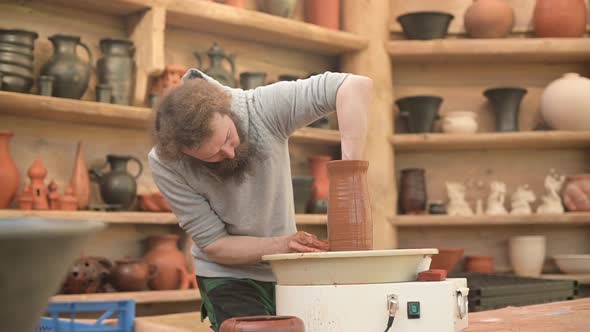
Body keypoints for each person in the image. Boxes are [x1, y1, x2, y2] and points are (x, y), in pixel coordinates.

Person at [148, 68, 372, 331]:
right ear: (184, 153)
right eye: (212, 156)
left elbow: (353, 85)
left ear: (225, 110)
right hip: (228, 275)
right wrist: (284, 244)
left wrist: (349, 173)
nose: (230, 153)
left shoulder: (260, 108)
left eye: (228, 138)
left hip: (287, 272)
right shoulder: (165, 162)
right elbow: (215, 244)